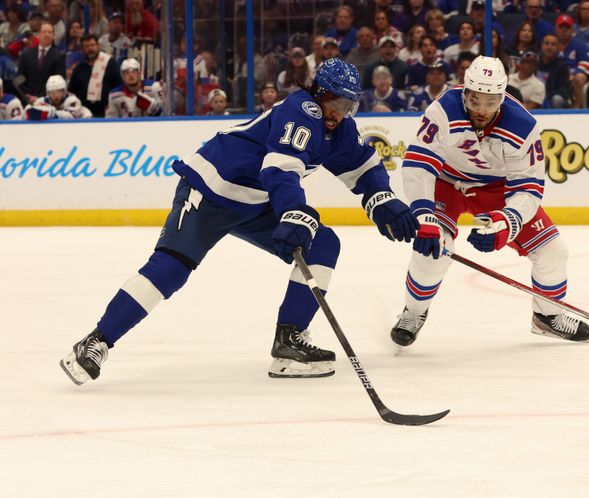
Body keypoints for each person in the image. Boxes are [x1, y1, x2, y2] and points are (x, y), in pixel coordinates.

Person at [59, 58, 418, 386]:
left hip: (256, 199)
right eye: (335, 102)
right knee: (170, 268)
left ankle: (289, 342)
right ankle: (96, 341)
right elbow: (281, 167)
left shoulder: (338, 128)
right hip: (212, 187)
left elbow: (363, 165)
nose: (338, 113)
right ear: (318, 93)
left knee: (323, 243)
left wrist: (382, 199)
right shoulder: (302, 110)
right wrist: (293, 210)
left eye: (347, 106)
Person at [389, 55, 589, 348]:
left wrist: (507, 222)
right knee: (433, 249)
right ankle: (413, 312)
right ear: (465, 92)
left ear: (502, 96)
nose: (481, 110)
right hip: (446, 183)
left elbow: (529, 187)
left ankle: (547, 316)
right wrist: (423, 214)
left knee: (553, 251)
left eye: (490, 101)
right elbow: (419, 164)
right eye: (474, 100)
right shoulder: (444, 109)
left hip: (496, 188)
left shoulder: (522, 124)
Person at [68, 33, 123, 117]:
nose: (90, 48)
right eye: (86, 46)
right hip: (83, 115)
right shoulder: (79, 69)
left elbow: (120, 87)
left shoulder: (110, 64)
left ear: (98, 46)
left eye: (92, 45)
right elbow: (71, 93)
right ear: (82, 49)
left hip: (107, 114)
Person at [15, 21, 65, 103]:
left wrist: (40, 98)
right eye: (44, 32)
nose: (47, 34)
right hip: (27, 99)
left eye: (50, 32)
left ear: (53, 36)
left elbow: (59, 82)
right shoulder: (26, 54)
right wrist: (26, 95)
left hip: (48, 101)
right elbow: (19, 78)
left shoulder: (59, 56)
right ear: (38, 35)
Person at [25, 74, 92, 119]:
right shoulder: (41, 101)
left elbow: (71, 117)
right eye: (52, 93)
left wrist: (50, 112)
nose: (56, 96)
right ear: (48, 93)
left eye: (59, 91)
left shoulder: (72, 100)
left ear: (64, 91)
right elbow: (27, 114)